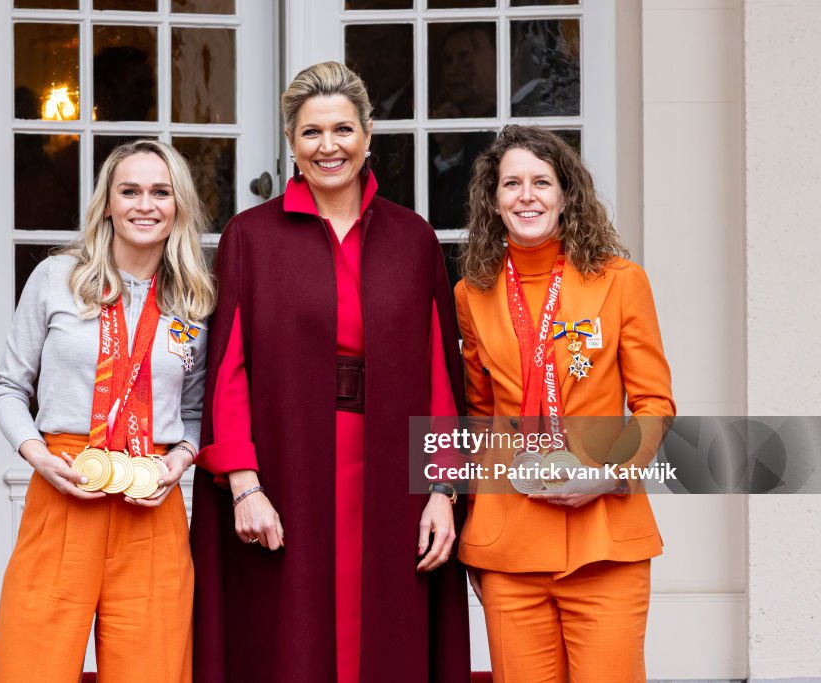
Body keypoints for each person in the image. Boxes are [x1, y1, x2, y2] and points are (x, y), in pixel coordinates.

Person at [191, 61, 471, 683]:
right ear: (291, 143)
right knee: (290, 641)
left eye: (342, 129)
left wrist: (442, 491)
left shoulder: (412, 238)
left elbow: (438, 381)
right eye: (311, 132)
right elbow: (228, 372)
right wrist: (244, 484)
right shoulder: (251, 237)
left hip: (393, 477)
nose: (328, 146)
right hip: (287, 474)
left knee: (388, 640)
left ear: (369, 135)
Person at [0, 139, 214, 682]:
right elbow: (7, 388)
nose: (144, 204)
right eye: (129, 190)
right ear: (107, 202)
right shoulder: (56, 280)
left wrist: (179, 462)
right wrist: (39, 458)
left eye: (160, 192)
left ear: (178, 205)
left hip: (151, 503)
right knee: (31, 667)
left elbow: (197, 409)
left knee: (153, 670)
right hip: (64, 488)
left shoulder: (195, 301)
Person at [455, 125, 675, 682]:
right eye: (511, 184)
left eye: (541, 182)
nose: (526, 196)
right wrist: (472, 522)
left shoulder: (621, 282)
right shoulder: (471, 292)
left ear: (566, 195)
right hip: (509, 545)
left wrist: (609, 476)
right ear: (493, 199)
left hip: (606, 540)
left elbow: (654, 402)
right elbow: (478, 418)